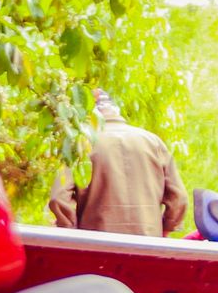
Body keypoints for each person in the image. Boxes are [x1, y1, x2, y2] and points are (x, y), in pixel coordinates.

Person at [49, 89, 188, 237]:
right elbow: (179, 198)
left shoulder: (79, 144)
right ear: (116, 111)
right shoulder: (153, 142)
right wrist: (165, 229)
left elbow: (59, 197)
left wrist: (70, 229)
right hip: (148, 244)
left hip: (98, 244)